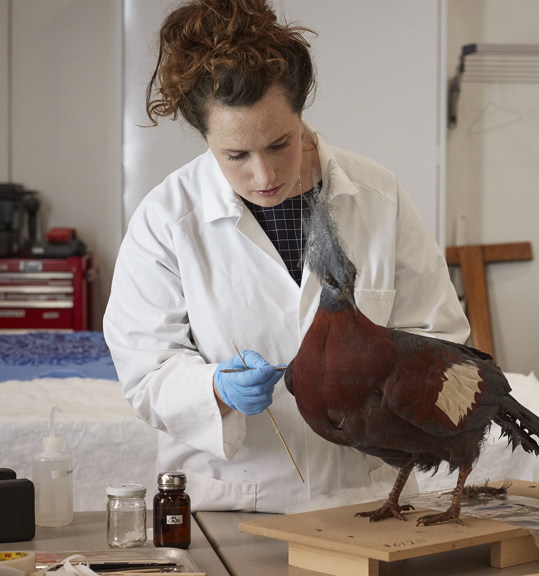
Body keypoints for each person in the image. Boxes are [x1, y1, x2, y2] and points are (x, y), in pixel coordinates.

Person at [103, 0, 469, 513]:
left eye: (280, 144)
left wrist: (377, 380)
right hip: (233, 503)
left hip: (368, 499)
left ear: (301, 114)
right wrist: (214, 388)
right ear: (205, 138)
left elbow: (440, 337)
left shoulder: (377, 196)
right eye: (236, 155)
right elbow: (146, 372)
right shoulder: (165, 220)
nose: (265, 175)